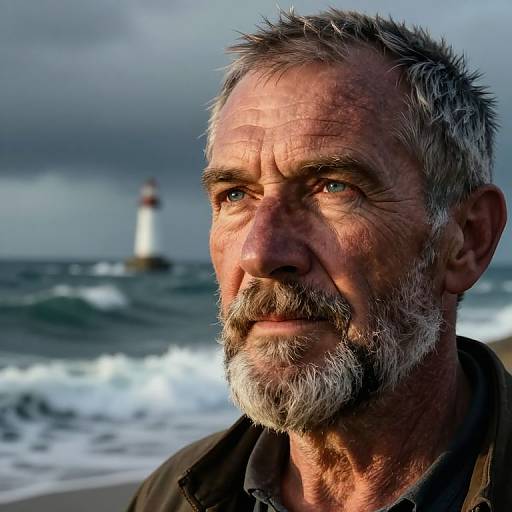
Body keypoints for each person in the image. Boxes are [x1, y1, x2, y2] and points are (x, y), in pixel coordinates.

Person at [127, 9, 510, 512]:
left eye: (334, 187)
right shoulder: (170, 496)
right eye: (236, 194)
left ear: (466, 239)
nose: (261, 252)